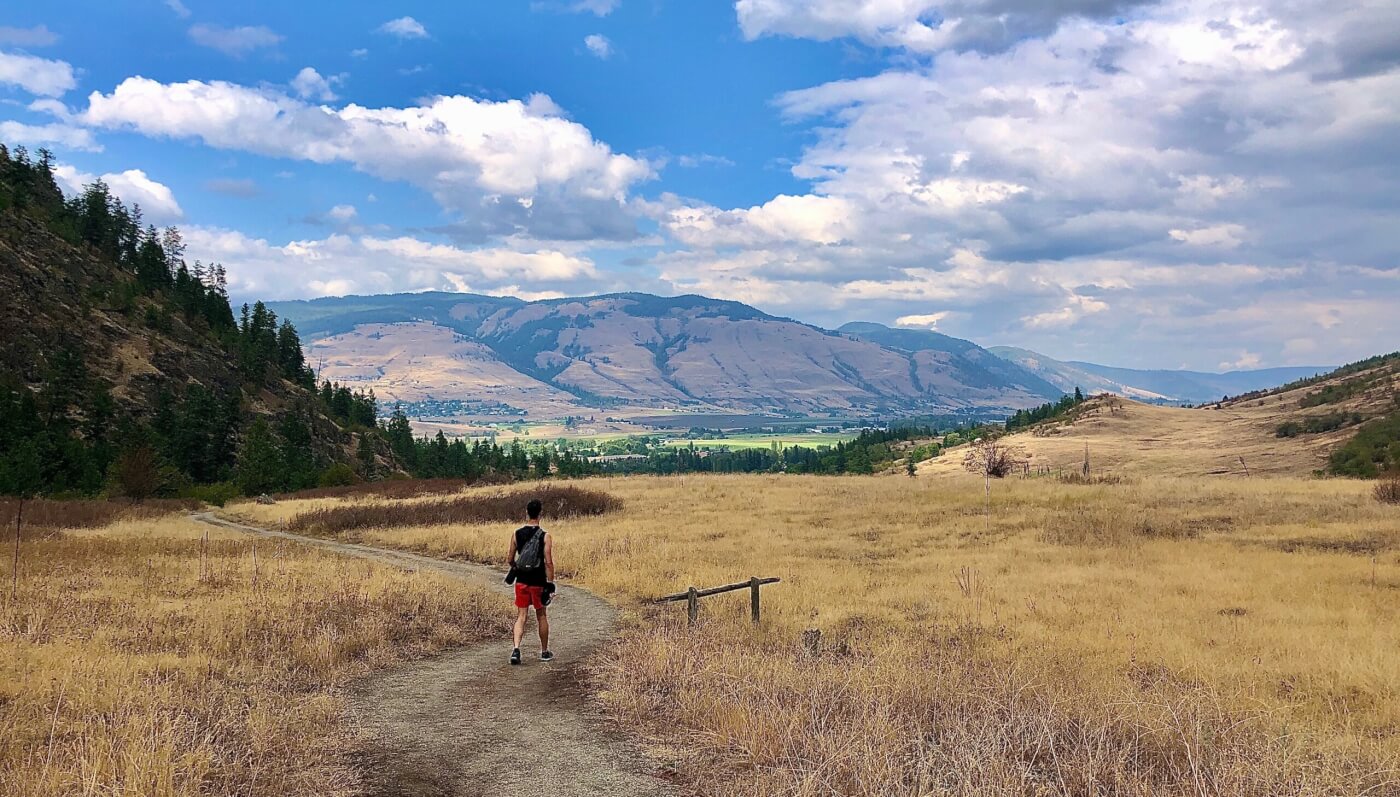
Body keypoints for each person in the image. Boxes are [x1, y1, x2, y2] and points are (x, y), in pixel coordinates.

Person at [506, 498, 554, 664]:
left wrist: (516, 568)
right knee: (541, 615)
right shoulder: (546, 536)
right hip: (538, 582)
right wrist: (550, 583)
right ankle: (544, 651)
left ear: (526, 512)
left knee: (521, 616)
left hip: (521, 581)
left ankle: (516, 649)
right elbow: (548, 562)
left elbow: (510, 558)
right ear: (541, 514)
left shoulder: (516, 534)